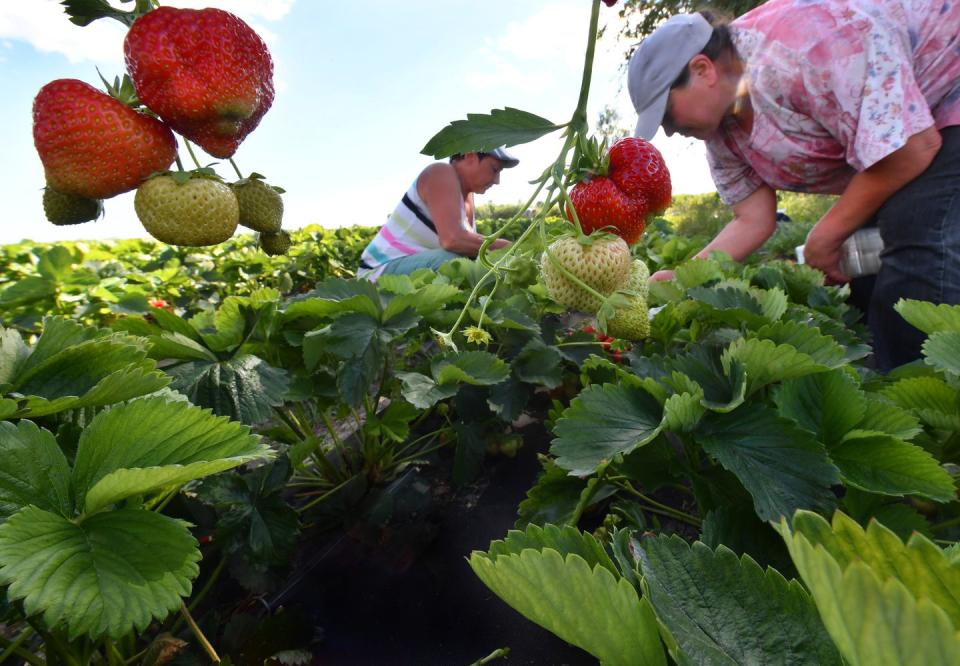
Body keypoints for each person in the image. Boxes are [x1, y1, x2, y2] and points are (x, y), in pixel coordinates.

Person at [627, 1, 960, 371]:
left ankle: (928, 398)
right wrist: (679, 278)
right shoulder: (723, 133)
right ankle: (885, 380)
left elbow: (912, 149)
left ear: (702, 69)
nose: (670, 130)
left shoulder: (805, 45)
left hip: (946, 87)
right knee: (867, 272)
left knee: (917, 237)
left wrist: (825, 236)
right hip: (897, 145)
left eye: (667, 114)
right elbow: (752, 219)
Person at [357, 147, 518, 279]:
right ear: (470, 155)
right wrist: (509, 248)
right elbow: (452, 240)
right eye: (494, 169)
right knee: (454, 264)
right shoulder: (441, 173)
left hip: (406, 269)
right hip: (376, 274)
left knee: (475, 268)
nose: (497, 180)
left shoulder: (467, 197)